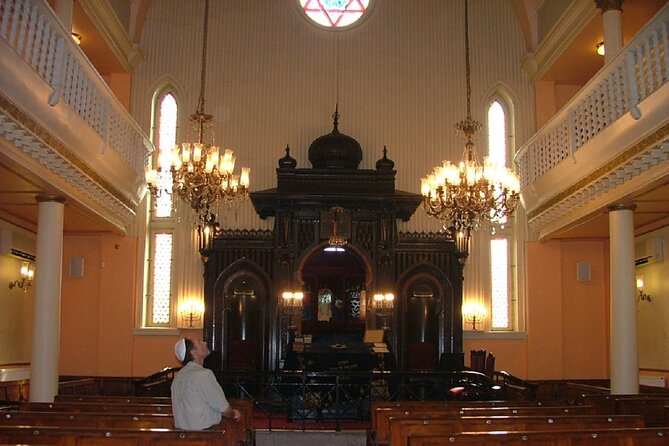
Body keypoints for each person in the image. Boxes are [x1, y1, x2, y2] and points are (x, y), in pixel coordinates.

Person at [171, 338, 241, 430]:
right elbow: (224, 408)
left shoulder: (179, 376)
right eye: (200, 342)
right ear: (193, 352)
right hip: (205, 437)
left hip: (182, 435)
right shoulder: (203, 374)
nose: (205, 343)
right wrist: (234, 414)